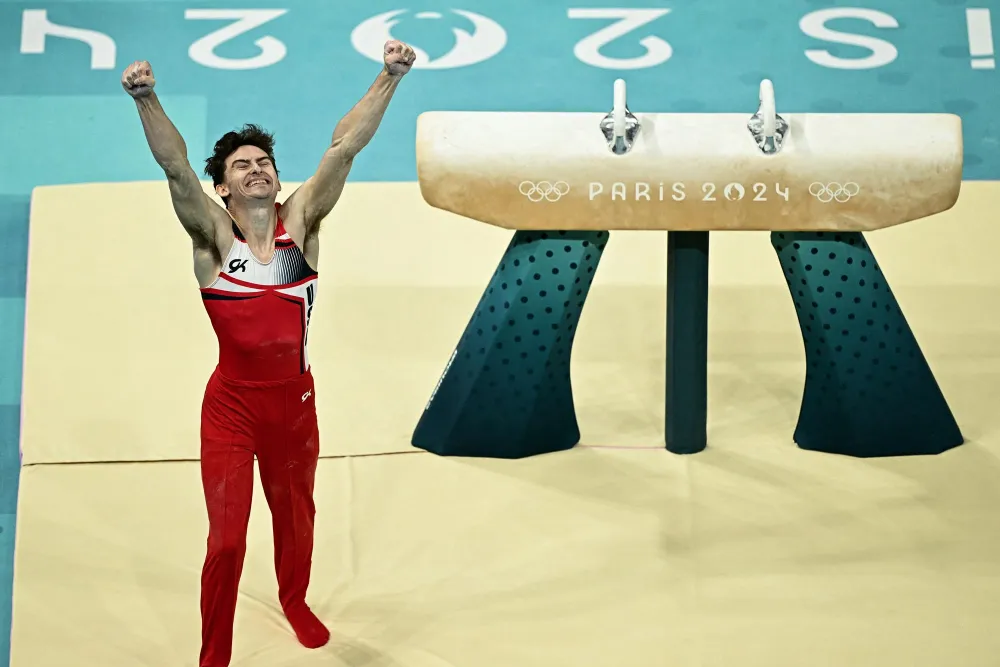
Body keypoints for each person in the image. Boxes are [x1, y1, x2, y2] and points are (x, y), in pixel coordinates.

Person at [121, 39, 416, 667]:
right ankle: (214, 650)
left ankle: (294, 598)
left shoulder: (302, 224)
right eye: (241, 165)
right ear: (223, 187)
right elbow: (176, 169)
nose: (257, 169)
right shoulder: (210, 237)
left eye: (265, 162)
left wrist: (388, 76)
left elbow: (343, 148)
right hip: (231, 409)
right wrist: (147, 99)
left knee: (296, 519)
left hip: (295, 405)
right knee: (226, 542)